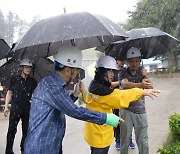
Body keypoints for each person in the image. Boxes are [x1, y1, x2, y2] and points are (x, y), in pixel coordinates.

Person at [23, 46, 122, 154]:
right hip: (41, 147)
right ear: (67, 70)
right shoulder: (51, 86)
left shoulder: (54, 84)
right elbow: (73, 111)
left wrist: (75, 94)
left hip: (51, 144)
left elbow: (61, 106)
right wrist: (106, 118)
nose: (76, 75)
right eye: (76, 71)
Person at [83, 55, 160, 154]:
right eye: (110, 71)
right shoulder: (103, 92)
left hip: (93, 132)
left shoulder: (94, 85)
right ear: (102, 72)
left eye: (113, 71)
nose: (112, 74)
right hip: (100, 135)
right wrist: (141, 92)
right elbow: (120, 96)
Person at [120, 47, 153, 154]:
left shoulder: (141, 72)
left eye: (136, 61)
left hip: (141, 111)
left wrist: (146, 76)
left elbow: (150, 87)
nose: (134, 63)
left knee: (143, 140)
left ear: (139, 61)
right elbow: (124, 84)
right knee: (124, 140)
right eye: (131, 61)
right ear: (127, 62)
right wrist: (140, 85)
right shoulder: (123, 72)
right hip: (126, 111)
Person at [3, 58, 37, 154]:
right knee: (11, 130)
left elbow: (36, 94)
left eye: (30, 67)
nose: (28, 69)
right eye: (26, 67)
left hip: (27, 109)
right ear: (22, 68)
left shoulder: (33, 81)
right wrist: (6, 107)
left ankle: (24, 149)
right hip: (15, 108)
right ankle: (9, 150)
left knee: (26, 131)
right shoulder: (15, 79)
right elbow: (9, 93)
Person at [111, 57, 135, 150]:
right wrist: (121, 82)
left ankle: (129, 140)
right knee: (117, 121)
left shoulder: (126, 71)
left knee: (127, 121)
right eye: (120, 60)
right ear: (116, 61)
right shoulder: (112, 71)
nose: (122, 62)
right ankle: (118, 140)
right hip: (115, 100)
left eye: (123, 60)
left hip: (125, 99)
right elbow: (110, 84)